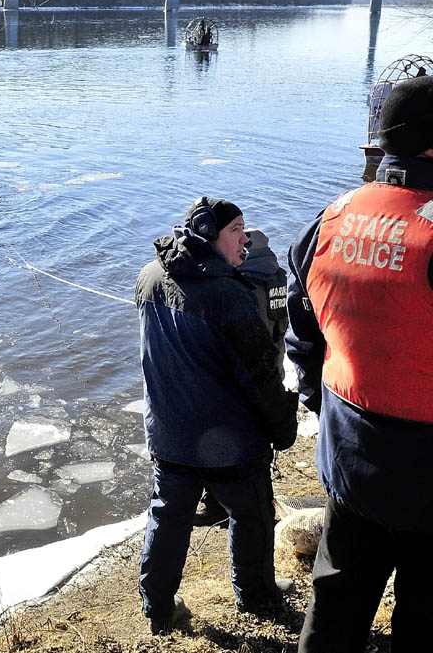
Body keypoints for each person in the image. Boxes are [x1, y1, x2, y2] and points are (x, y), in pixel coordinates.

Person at [287, 75, 433, 652]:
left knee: (335, 610)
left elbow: (303, 324)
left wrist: (316, 397)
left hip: (350, 460)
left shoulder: (333, 216)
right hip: (426, 473)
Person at [136, 197, 298, 635]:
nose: (245, 238)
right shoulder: (231, 295)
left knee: (167, 517)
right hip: (229, 442)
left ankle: (158, 610)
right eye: (236, 230)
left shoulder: (150, 276)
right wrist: (284, 426)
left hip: (168, 432)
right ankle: (257, 595)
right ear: (210, 235)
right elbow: (261, 374)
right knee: (252, 514)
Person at [194, 227, 289, 527]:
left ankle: (221, 506)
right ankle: (257, 505)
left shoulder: (241, 281)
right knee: (257, 448)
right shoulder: (277, 276)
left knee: (225, 443)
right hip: (271, 368)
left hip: (244, 376)